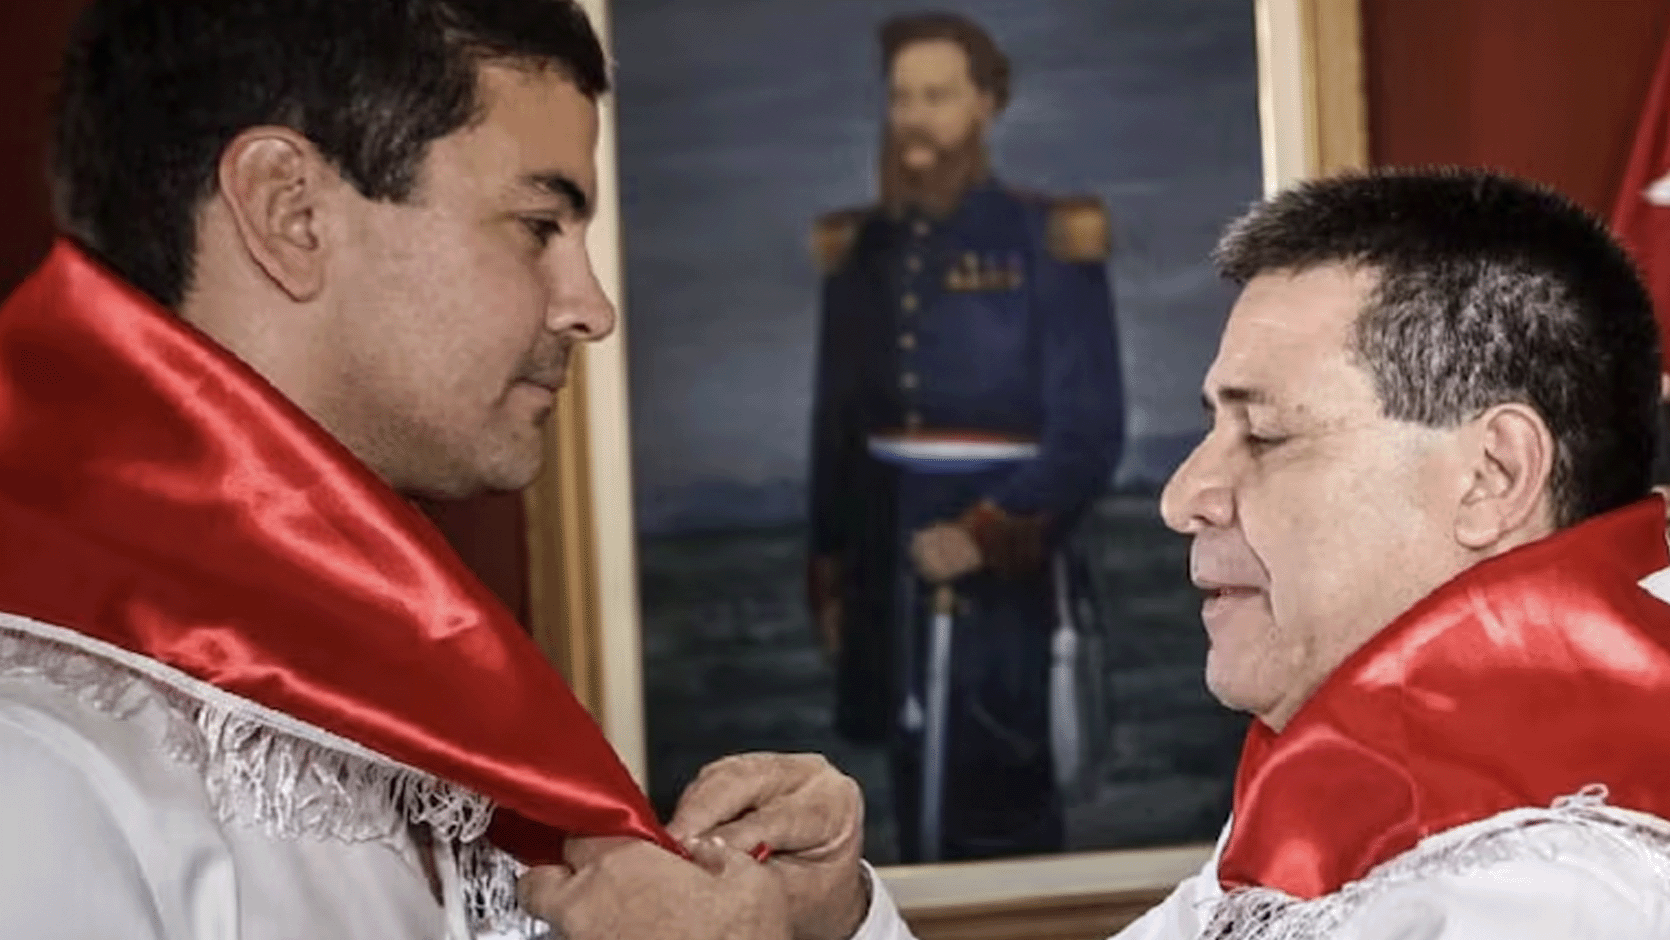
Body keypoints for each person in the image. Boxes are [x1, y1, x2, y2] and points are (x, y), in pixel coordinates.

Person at [563, 168, 1670, 939]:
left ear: (1490, 476)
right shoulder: (1390, 803)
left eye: (1264, 433)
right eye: (1210, 427)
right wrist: (836, 917)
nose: (1184, 495)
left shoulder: (1549, 900)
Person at [0, 1, 792, 937]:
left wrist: (834, 920)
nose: (590, 308)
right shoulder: (35, 767)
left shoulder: (390, 683)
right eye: (539, 224)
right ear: (291, 213)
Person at [806, 10, 1123, 864]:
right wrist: (831, 569)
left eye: (938, 96)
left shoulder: (1049, 239)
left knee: (1003, 812)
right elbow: (835, 429)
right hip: (885, 569)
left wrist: (985, 531)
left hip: (1001, 574)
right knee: (910, 813)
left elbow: (1089, 431)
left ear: (987, 104)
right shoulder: (859, 252)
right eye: (903, 97)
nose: (915, 117)